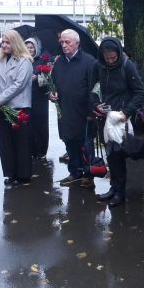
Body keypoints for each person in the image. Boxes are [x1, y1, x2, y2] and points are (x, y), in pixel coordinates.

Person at [91, 37, 144, 207]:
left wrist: (126, 112)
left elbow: (140, 92)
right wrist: (95, 105)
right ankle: (113, 188)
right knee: (111, 155)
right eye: (107, 58)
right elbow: (92, 89)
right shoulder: (98, 66)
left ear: (118, 54)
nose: (110, 61)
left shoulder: (127, 66)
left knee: (119, 155)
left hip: (121, 119)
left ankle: (120, 193)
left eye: (113, 58)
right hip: (105, 118)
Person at [51, 29, 98, 188]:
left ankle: (88, 173)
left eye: (67, 42)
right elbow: (52, 85)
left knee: (85, 144)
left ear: (77, 43)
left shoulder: (89, 61)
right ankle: (75, 172)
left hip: (84, 112)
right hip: (65, 110)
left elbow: (94, 88)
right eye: (62, 42)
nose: (64, 45)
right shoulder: (58, 62)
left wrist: (92, 111)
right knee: (69, 142)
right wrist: (51, 95)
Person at [0, 30, 33, 187]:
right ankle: (10, 173)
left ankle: (23, 174)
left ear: (15, 43)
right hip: (1, 108)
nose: (4, 45)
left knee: (21, 143)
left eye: (8, 42)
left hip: (18, 107)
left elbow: (19, 85)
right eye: (3, 42)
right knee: (5, 142)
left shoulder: (24, 61)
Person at [25, 37, 51, 163]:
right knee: (28, 124)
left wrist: (38, 77)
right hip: (26, 97)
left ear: (36, 48)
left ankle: (41, 151)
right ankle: (30, 150)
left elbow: (48, 79)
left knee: (41, 124)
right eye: (27, 47)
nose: (29, 50)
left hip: (40, 97)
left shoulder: (42, 60)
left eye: (32, 47)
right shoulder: (22, 60)